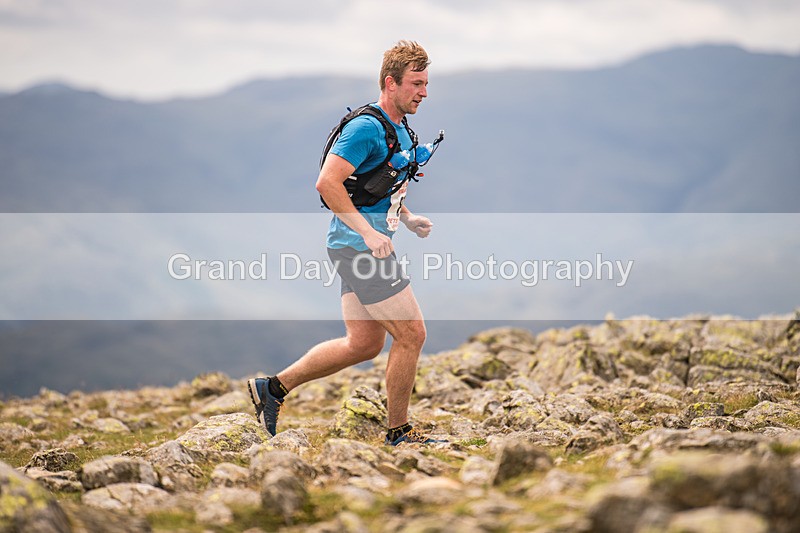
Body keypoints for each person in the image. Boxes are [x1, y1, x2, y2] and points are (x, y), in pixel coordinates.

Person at [248, 40, 441, 446]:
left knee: (363, 344)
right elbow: (327, 182)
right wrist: (369, 232)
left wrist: (406, 219)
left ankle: (273, 389)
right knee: (412, 334)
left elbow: (377, 186)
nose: (423, 92)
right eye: (416, 84)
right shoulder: (366, 128)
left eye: (426, 84)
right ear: (391, 83)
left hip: (360, 246)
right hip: (359, 249)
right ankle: (399, 432)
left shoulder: (400, 128)